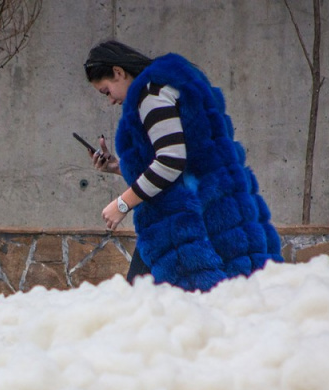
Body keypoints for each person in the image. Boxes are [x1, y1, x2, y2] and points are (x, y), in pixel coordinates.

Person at [83, 40, 283, 292]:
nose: (110, 100)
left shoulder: (151, 95)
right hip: (216, 211)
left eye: (106, 91)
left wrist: (122, 203)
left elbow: (170, 162)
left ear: (119, 72)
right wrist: (118, 167)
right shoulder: (173, 85)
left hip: (187, 225)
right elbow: (186, 160)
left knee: (159, 308)